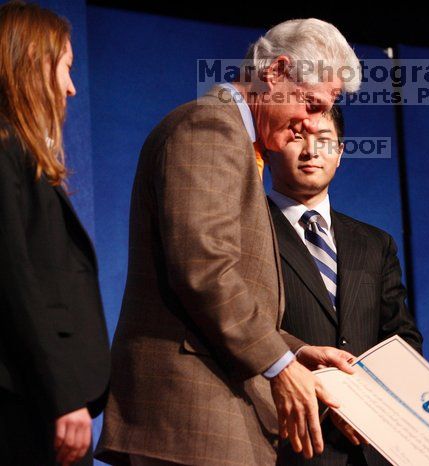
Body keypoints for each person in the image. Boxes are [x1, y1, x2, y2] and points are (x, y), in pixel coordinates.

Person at [96, 19, 363, 466]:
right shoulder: (210, 127)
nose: (311, 125)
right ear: (276, 72)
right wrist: (280, 365)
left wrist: (296, 350)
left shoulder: (239, 142)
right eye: (311, 104)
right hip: (189, 417)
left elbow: (227, 285)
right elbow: (204, 269)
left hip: (212, 416)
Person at [265, 106, 423, 465]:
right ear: (270, 147)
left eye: (324, 141)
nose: (311, 151)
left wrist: (364, 406)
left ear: (340, 153)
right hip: (286, 443)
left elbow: (403, 340)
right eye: (296, 138)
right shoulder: (247, 231)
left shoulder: (375, 243)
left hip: (370, 446)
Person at [0, 2, 111, 465]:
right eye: (65, 68)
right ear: (32, 63)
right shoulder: (5, 152)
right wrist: (63, 393)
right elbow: (14, 280)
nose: (71, 88)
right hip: (26, 405)